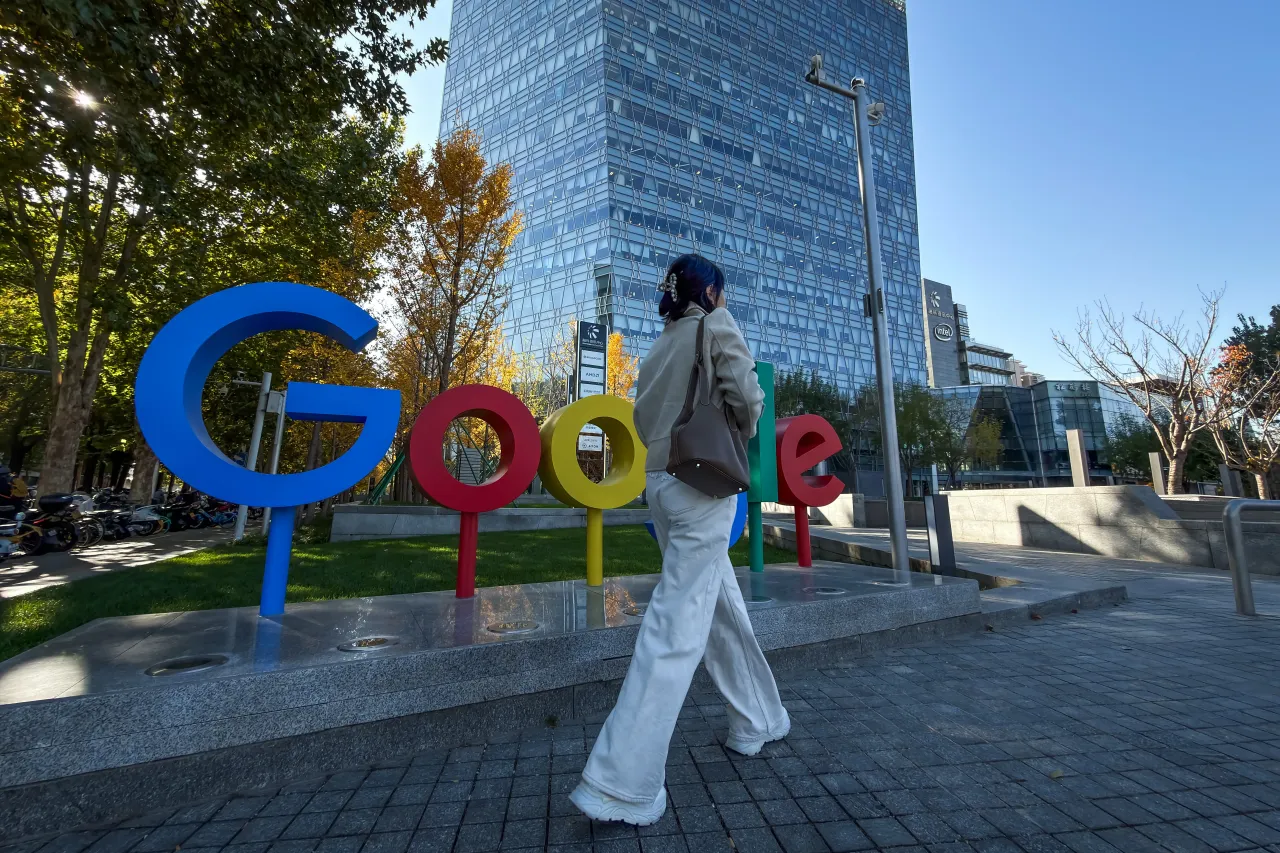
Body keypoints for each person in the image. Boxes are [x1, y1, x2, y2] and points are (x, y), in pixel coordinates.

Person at [569, 254, 789, 825]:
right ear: (710, 291)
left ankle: (758, 718)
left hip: (661, 485)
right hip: (704, 487)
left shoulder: (661, 342)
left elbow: (643, 423)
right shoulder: (716, 324)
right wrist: (737, 417)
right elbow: (750, 402)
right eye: (723, 289)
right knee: (675, 625)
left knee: (717, 605)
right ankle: (621, 785)